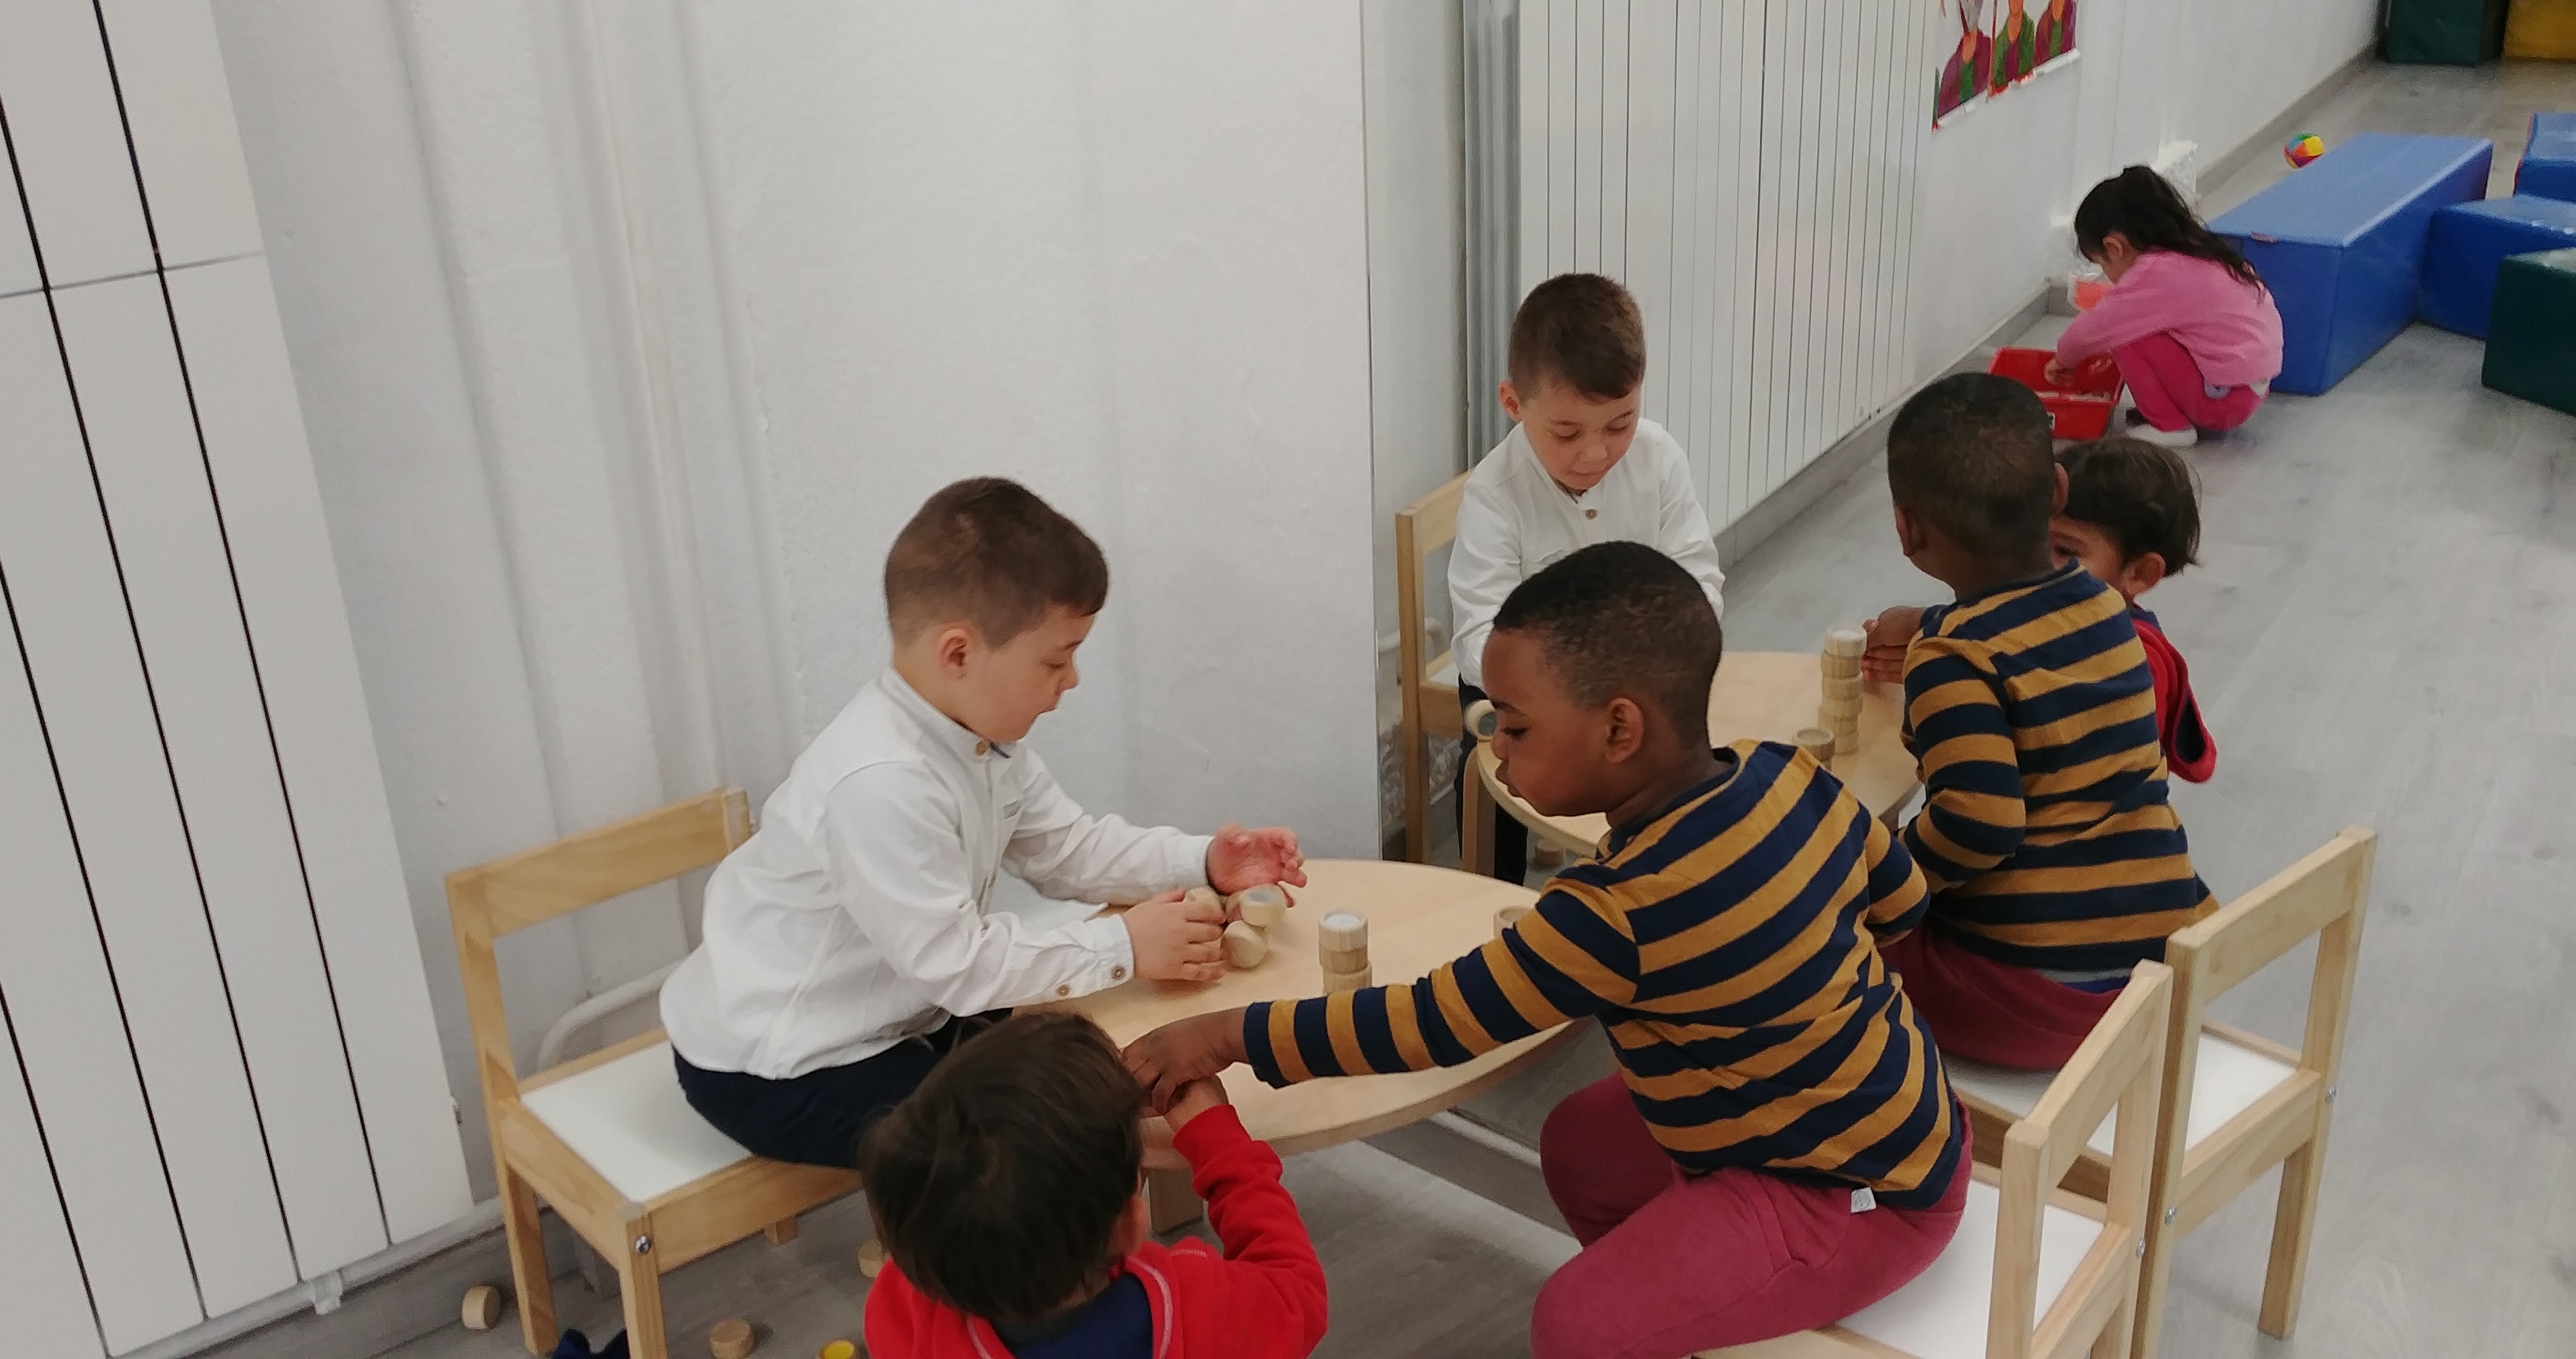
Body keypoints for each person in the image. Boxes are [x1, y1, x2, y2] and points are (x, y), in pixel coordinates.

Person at [1130, 543, 1963, 1359]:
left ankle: (1673, 1306)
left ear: (1618, 728)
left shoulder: (1612, 913)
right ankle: (1683, 1308)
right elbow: (1902, 905)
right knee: (1578, 1146)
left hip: (1863, 1189)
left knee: (1575, 1323)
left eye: (1516, 726)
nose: (1495, 746)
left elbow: (1424, 1024)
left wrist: (1223, 1035)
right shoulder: (1788, 774)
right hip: (1892, 1108)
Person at [659, 478, 1306, 1168]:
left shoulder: (978, 739)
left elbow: (1069, 850)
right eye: (1056, 659)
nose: (1073, 679)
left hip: (909, 1006)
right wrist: (1123, 943)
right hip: (782, 1066)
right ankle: (1071, 1230)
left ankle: (1120, 1212)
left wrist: (1202, 860)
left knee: (1086, 1056)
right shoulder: (879, 782)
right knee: (1034, 1141)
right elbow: (956, 965)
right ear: (959, 654)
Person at [1862, 375, 2214, 1071]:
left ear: (1907, 529)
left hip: (2034, 1000)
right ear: (2056, 489)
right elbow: (2024, 633)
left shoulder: (1951, 658)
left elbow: (1978, 826)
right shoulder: (2110, 610)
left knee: (1819, 929)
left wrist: (1880, 878)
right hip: (2159, 972)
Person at [1448, 273, 1721, 883]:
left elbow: (1698, 579)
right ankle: (1491, 888)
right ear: (1513, 404)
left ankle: (1658, 880)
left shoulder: (1658, 458)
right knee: (1498, 765)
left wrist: (1656, 661)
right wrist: (1569, 693)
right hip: (1525, 693)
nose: (1595, 453)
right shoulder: (1494, 496)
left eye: (1620, 424)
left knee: (1683, 764)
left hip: (1640, 676)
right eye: (1567, 432)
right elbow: (1477, 641)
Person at [862, 1012, 1328, 1359]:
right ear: (1130, 1223)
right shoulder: (1190, 1307)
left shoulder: (902, 1310)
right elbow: (1296, 1292)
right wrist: (1219, 1142)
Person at [2048, 166, 2284, 448]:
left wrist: (2064, 358)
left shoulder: (2156, 272)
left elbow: (2096, 327)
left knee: (2126, 335)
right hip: (2248, 390)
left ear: (2114, 247)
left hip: (2224, 400)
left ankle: (2171, 426)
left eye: (2102, 264)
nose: (2107, 275)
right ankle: (2174, 412)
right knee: (2140, 327)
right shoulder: (2195, 249)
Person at [2053, 437, 2215, 782]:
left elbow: (2113, 781)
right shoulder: (2042, 614)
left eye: (2064, 551)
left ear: (2139, 574)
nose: (2035, 563)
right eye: (2030, 542)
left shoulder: (2133, 662)